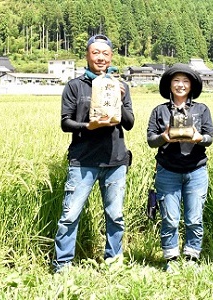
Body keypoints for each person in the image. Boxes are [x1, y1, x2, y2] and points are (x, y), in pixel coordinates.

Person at [53, 34, 134, 273]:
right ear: (87, 55)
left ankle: (113, 261)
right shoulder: (75, 86)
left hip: (115, 161)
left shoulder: (120, 86)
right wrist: (88, 126)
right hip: (82, 160)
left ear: (111, 58)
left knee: (115, 216)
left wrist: (119, 98)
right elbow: (65, 123)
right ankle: (63, 266)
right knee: (70, 216)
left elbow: (129, 123)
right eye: (95, 53)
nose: (100, 57)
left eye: (105, 53)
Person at [147, 63, 213, 272]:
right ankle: (171, 258)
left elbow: (210, 138)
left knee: (194, 217)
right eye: (176, 80)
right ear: (169, 84)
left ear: (192, 86)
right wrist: (164, 137)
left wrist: (198, 137)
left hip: (196, 170)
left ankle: (192, 256)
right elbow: (151, 140)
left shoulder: (201, 109)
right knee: (170, 217)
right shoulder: (159, 111)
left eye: (185, 81)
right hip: (167, 170)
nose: (181, 85)